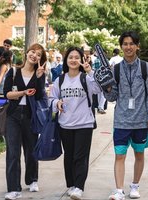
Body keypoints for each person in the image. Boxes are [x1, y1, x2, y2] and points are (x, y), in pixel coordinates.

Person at [104, 31, 148, 200]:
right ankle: (119, 190)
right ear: (121, 47)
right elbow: (112, 98)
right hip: (121, 120)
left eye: (131, 44)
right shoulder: (116, 69)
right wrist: (107, 87)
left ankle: (135, 186)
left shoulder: (146, 68)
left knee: (139, 154)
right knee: (120, 155)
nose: (128, 47)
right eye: (125, 44)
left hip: (141, 121)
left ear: (137, 46)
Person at [49, 47, 101, 200]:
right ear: (66, 60)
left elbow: (98, 89)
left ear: (81, 60)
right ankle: (71, 184)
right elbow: (51, 99)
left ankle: (79, 187)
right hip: (65, 124)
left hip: (84, 124)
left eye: (76, 57)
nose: (73, 60)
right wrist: (56, 102)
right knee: (69, 156)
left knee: (81, 157)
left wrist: (90, 71)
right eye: (70, 57)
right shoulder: (60, 79)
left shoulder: (85, 78)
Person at [3, 43, 47, 200]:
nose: (34, 55)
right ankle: (14, 188)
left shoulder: (39, 74)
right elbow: (6, 94)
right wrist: (23, 92)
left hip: (31, 116)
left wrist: (40, 78)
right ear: (27, 53)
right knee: (13, 152)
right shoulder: (14, 71)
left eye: (39, 55)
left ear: (41, 59)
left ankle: (32, 179)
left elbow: (41, 96)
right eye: (33, 52)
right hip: (13, 116)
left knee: (31, 151)